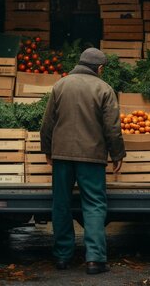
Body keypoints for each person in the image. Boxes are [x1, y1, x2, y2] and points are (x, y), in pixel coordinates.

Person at [40, 47, 126, 275]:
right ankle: (95, 259)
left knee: (61, 204)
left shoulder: (61, 85)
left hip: (62, 155)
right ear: (98, 68)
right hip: (92, 157)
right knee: (95, 205)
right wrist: (117, 154)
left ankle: (62, 257)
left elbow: (47, 122)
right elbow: (112, 128)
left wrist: (47, 149)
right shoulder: (104, 89)